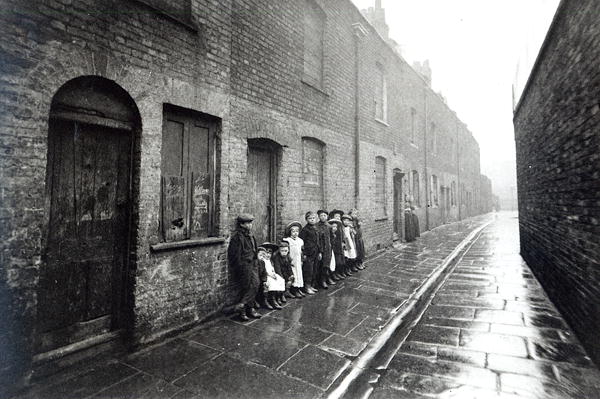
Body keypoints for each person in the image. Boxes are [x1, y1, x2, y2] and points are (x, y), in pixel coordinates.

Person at [227, 214, 262, 321]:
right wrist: (240, 266)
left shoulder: (251, 236)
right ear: (242, 224)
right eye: (248, 223)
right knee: (245, 286)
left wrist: (256, 261)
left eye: (251, 223)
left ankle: (242, 305)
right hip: (244, 265)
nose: (250, 225)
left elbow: (254, 248)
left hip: (253, 264)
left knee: (255, 284)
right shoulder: (237, 237)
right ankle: (244, 311)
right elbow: (233, 255)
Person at [257, 243, 286, 310]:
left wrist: (274, 274)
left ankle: (277, 297)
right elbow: (264, 271)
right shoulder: (262, 261)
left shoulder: (270, 261)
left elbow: (272, 269)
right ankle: (266, 300)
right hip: (265, 276)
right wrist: (270, 275)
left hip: (271, 275)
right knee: (271, 282)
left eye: (270, 253)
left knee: (280, 279)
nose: (268, 255)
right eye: (266, 253)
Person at [299, 211, 322, 295]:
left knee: (314, 269)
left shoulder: (316, 228)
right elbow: (301, 242)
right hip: (308, 253)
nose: (312, 220)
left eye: (313, 218)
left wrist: (319, 252)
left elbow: (318, 241)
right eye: (310, 218)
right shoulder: (305, 230)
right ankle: (306, 286)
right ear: (306, 219)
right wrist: (304, 253)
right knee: (308, 270)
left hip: (315, 252)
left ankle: (311, 285)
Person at [283, 221, 305, 298]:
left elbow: (301, 251)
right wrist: (289, 260)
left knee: (299, 274)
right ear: (290, 232)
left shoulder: (300, 241)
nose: (295, 233)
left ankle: (299, 288)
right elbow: (287, 252)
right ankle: (293, 290)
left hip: (298, 260)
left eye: (297, 231)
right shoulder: (287, 240)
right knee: (293, 275)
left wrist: (302, 260)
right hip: (292, 261)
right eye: (293, 231)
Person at [317, 209, 335, 289]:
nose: (323, 217)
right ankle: (320, 281)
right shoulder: (317, 226)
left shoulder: (329, 226)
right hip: (320, 249)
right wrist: (320, 250)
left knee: (326, 265)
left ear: (327, 216)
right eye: (321, 215)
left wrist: (330, 245)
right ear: (319, 217)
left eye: (324, 215)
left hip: (328, 248)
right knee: (320, 265)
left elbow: (331, 237)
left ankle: (325, 279)